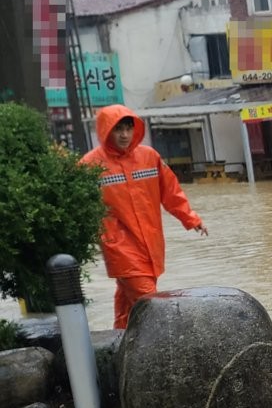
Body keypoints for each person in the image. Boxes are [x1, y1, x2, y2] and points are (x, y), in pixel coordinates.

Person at [81, 105, 207, 329]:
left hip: (150, 243)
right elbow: (78, 207)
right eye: (117, 129)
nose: (124, 135)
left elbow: (171, 192)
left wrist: (191, 218)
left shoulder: (149, 157)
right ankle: (167, 354)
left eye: (128, 128)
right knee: (152, 305)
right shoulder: (90, 166)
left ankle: (119, 345)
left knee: (128, 307)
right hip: (119, 248)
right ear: (105, 130)